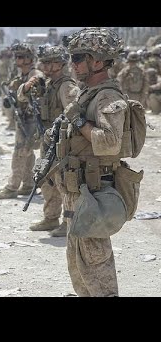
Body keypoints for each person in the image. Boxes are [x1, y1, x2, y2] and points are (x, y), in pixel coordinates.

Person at [60, 27, 130, 296]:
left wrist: (78, 121)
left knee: (95, 260)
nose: (73, 64)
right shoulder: (87, 93)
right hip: (76, 189)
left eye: (78, 58)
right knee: (77, 261)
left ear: (98, 61)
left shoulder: (107, 96)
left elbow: (110, 142)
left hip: (94, 190)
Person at [28, 45, 80, 237]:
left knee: (65, 184)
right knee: (47, 180)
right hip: (48, 140)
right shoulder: (49, 84)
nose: (48, 67)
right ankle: (50, 218)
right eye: (45, 62)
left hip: (61, 143)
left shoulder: (66, 86)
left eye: (53, 62)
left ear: (62, 63)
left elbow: (74, 115)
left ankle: (69, 222)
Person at [0, 43, 44, 199]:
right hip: (23, 117)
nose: (17, 59)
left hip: (32, 119)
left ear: (30, 58)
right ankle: (28, 184)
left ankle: (12, 186)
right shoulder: (21, 74)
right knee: (27, 153)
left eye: (21, 56)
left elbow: (39, 98)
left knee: (20, 152)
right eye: (16, 56)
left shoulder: (35, 75)